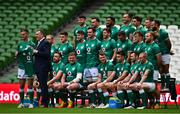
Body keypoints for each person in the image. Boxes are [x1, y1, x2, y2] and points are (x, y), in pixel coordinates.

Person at [16, 28, 36, 108]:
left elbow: (35, 55)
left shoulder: (32, 44)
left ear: (27, 34)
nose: (22, 36)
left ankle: (31, 103)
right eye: (21, 34)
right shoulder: (20, 44)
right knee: (21, 86)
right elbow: (17, 54)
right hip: (21, 67)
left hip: (29, 66)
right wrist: (16, 54)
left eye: (24, 34)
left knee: (30, 85)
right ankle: (21, 103)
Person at [151, 20, 172, 90]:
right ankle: (163, 86)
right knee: (161, 70)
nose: (151, 26)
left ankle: (168, 86)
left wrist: (167, 51)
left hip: (165, 53)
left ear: (157, 25)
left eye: (152, 25)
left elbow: (169, 43)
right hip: (158, 54)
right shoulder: (152, 33)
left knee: (166, 70)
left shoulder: (163, 32)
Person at [34, 30, 51, 108]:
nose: (36, 36)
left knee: (44, 85)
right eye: (35, 34)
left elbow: (47, 54)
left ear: (42, 34)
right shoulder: (39, 43)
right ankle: (43, 102)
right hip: (39, 67)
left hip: (43, 67)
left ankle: (45, 103)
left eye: (37, 34)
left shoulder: (45, 42)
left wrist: (36, 52)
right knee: (42, 85)